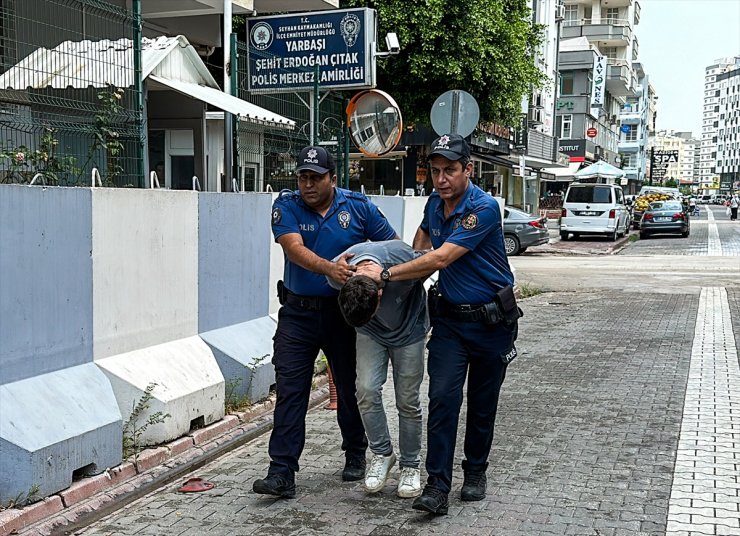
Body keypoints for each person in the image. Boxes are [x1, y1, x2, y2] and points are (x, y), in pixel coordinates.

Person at [357, 133, 521, 515]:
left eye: (450, 170)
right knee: (442, 400)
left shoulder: (482, 208)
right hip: (449, 323)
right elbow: (424, 243)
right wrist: (411, 266)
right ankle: (437, 486)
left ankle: (476, 471)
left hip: (491, 322)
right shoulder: (435, 203)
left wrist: (386, 275)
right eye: (435, 171)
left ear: (469, 169)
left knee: (482, 404)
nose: (442, 178)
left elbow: (442, 258)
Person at [252, 146, 398, 499]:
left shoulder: (359, 207)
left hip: (344, 314)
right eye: (302, 177)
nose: (307, 184)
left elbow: (392, 244)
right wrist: (328, 268)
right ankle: (282, 471)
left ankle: (355, 451)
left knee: (350, 387)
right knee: (290, 390)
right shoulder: (286, 205)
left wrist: (370, 270)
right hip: (298, 314)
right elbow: (292, 247)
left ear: (333, 178)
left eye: (315, 178)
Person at [328, 240, 429, 498]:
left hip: (409, 331)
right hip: (371, 335)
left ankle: (410, 465)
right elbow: (328, 275)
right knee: (365, 390)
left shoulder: (401, 256)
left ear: (380, 294)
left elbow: (431, 261)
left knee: (407, 400)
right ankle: (383, 454)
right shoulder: (342, 272)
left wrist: (405, 274)